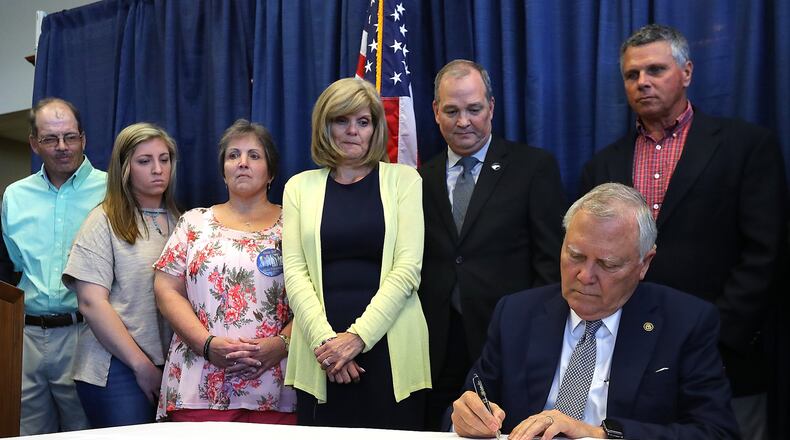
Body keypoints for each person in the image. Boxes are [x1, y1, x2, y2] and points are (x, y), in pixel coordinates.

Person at [579, 24, 787, 439]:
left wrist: (718, 336)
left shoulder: (745, 146)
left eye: (655, 70)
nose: (643, 82)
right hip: (626, 360)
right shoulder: (602, 165)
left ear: (687, 72)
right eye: (632, 75)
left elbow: (767, 252)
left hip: (726, 356)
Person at [451, 183, 739, 440]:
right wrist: (465, 420)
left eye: (608, 264)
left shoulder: (685, 323)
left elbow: (715, 431)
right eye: (575, 256)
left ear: (644, 263)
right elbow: (470, 404)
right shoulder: (515, 314)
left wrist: (599, 434)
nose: (585, 276)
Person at [419, 59, 567, 429]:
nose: (463, 121)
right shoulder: (421, 177)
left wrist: (538, 331)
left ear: (492, 108)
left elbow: (551, 260)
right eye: (452, 111)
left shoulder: (533, 167)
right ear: (436, 112)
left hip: (508, 338)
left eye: (474, 109)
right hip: (437, 343)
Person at [282, 77, 430, 429]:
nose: (352, 131)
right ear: (325, 125)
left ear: (376, 128)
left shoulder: (405, 181)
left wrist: (356, 339)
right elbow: (295, 273)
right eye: (341, 121)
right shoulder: (299, 187)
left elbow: (408, 269)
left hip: (392, 353)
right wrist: (328, 345)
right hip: (321, 357)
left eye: (363, 122)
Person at [153, 119, 296, 423]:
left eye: (254, 156)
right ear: (223, 171)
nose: (242, 163)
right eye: (233, 155)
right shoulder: (194, 223)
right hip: (199, 384)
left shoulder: (295, 226)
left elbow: (316, 297)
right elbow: (166, 290)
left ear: (271, 172)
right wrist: (206, 345)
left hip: (275, 386)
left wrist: (281, 345)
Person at [61, 123, 179, 427]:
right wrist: (141, 366)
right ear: (125, 168)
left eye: (164, 159)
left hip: (171, 367)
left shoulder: (182, 221)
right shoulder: (103, 221)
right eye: (144, 161)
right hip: (116, 369)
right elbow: (91, 303)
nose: (157, 169)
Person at [1, 98, 106, 435]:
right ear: (34, 143)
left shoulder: (112, 190)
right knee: (24, 430)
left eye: (70, 137)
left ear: (84, 139)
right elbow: (15, 267)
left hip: (86, 334)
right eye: (50, 139)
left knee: (83, 430)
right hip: (25, 337)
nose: (62, 147)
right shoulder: (14, 196)